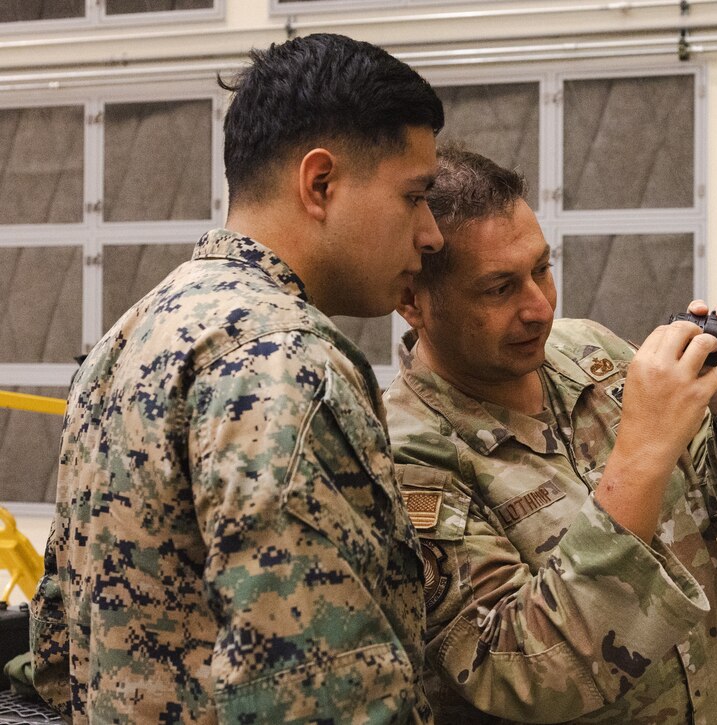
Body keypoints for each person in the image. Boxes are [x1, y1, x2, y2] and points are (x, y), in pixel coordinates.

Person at [29, 33, 445, 723]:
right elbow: (317, 697)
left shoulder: (126, 340)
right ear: (320, 183)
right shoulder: (285, 361)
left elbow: (54, 653)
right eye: (415, 196)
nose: (431, 234)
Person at [383, 146, 717, 723]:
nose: (540, 308)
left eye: (542, 269)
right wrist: (640, 455)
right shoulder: (407, 454)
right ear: (413, 301)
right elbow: (519, 672)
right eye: (499, 288)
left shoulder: (590, 352)